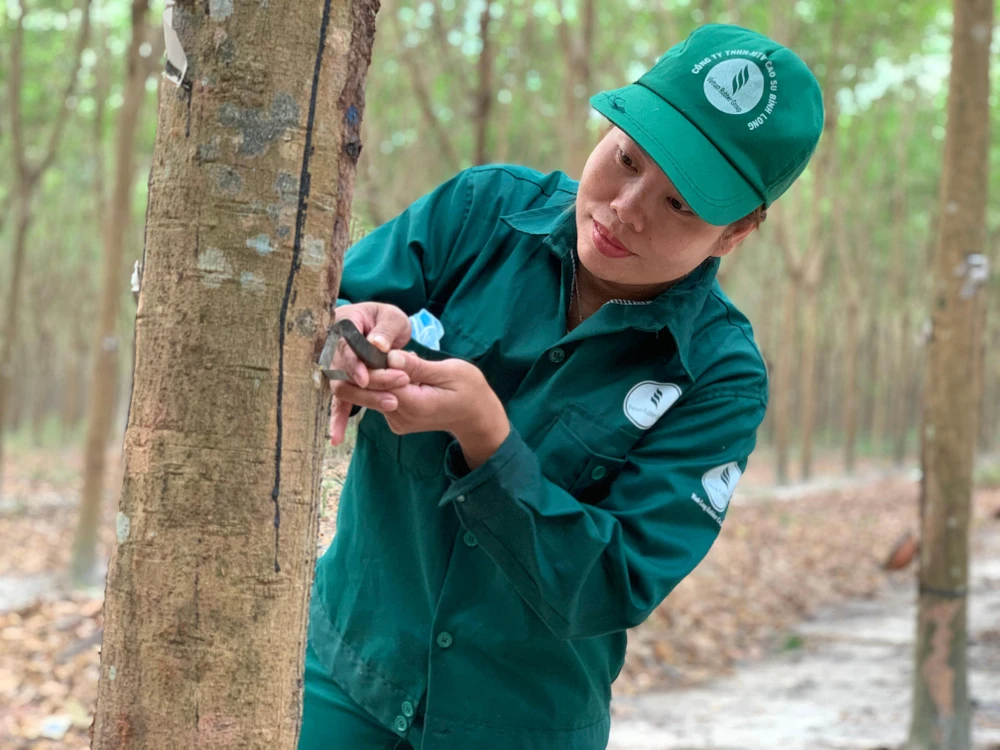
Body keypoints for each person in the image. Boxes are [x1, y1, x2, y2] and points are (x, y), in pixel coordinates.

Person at [299, 23, 823, 750]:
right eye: (627, 159)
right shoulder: (478, 214)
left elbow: (616, 582)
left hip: (520, 720)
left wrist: (489, 440)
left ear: (735, 232)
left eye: (680, 206)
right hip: (346, 673)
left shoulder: (719, 378)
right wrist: (347, 337)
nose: (626, 207)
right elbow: (322, 317)